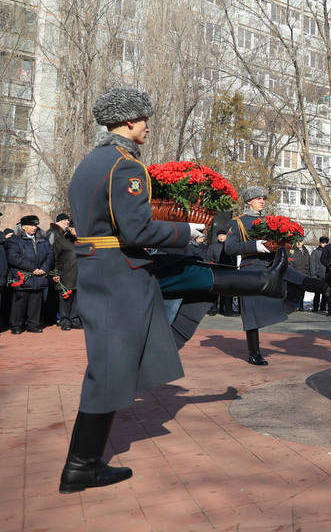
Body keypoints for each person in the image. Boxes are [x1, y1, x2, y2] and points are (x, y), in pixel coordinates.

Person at [59, 87, 287, 494]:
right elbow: (137, 230)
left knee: (119, 360)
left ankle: (86, 463)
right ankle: (81, 467)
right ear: (129, 121)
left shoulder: (90, 162)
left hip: (103, 269)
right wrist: (187, 229)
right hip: (120, 275)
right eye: (144, 120)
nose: (147, 127)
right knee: (109, 368)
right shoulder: (125, 166)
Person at [224, 187, 289, 365]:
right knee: (251, 312)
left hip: (270, 267)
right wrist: (255, 246)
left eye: (263, 198)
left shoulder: (270, 221)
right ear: (248, 201)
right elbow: (229, 248)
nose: (262, 201)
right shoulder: (238, 222)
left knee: (285, 294)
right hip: (250, 269)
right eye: (258, 198)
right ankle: (254, 352)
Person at [5, 215, 54, 334]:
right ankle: (16, 325)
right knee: (19, 303)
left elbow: (50, 255)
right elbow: (13, 258)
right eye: (31, 225)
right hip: (22, 276)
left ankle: (33, 324)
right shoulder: (15, 240)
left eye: (35, 225)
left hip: (38, 277)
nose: (34, 228)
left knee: (35, 303)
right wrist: (33, 268)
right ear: (23, 227)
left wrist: (44, 268)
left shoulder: (43, 240)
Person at [48, 214, 81, 330]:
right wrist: (55, 273)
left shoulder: (82, 240)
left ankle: (75, 320)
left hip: (80, 274)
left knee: (77, 299)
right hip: (65, 274)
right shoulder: (61, 240)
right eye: (75, 229)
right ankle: (65, 321)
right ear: (70, 228)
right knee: (65, 299)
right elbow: (55, 258)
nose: (77, 231)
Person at [289, 239, 311, 311]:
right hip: (295, 274)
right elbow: (290, 263)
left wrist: (308, 274)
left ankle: (301, 305)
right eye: (297, 242)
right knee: (294, 291)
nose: (299, 243)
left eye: (301, 242)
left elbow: (308, 263)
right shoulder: (292, 250)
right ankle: (294, 306)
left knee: (302, 292)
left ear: (303, 242)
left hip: (304, 274)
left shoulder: (306, 251)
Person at [310, 236, 329, 313]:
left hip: (326, 275)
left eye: (325, 243)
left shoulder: (329, 252)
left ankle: (323, 307)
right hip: (317, 275)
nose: (324, 244)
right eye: (322, 242)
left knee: (325, 293)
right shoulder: (315, 252)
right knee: (317, 293)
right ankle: (315, 307)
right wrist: (313, 274)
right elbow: (312, 263)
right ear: (320, 243)